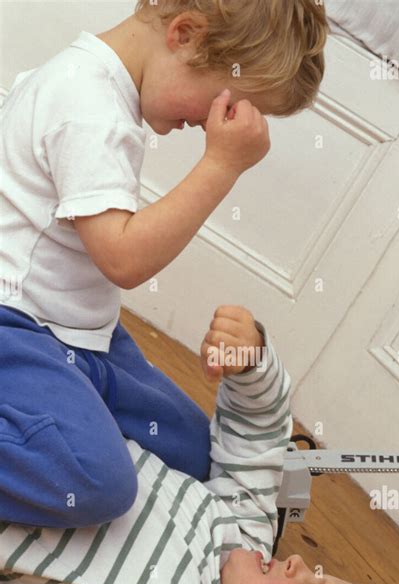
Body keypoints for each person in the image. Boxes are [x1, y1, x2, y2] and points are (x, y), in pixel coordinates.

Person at [0, 306, 399, 584]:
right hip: (65, 406)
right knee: (190, 442)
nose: (299, 564)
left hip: (44, 460)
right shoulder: (243, 541)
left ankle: (28, 332)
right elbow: (256, 445)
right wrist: (253, 365)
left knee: (106, 482)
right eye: (315, 572)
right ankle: (58, 326)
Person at [0, 0, 329, 527]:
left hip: (83, 336)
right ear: (185, 34)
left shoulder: (104, 93)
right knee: (99, 482)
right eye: (219, 106)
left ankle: (62, 416)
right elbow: (123, 259)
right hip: (17, 328)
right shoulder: (85, 102)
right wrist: (222, 166)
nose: (206, 126)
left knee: (196, 452)